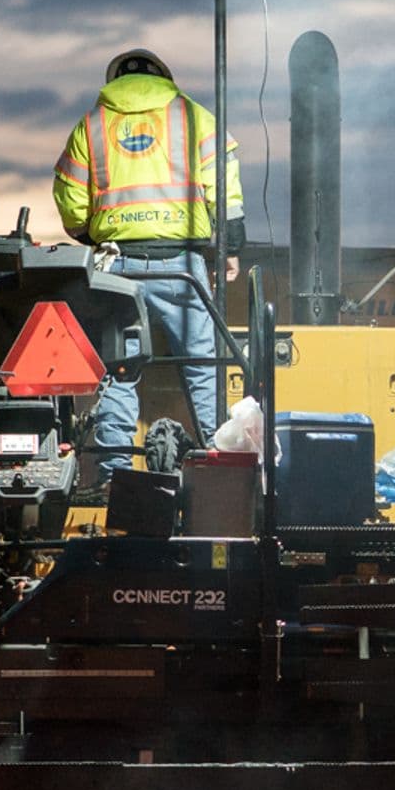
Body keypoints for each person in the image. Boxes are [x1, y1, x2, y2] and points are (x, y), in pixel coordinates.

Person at [52, 48, 244, 482]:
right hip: (183, 265)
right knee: (201, 363)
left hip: (117, 269)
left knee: (120, 371)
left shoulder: (92, 125)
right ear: (164, 77)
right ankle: (218, 461)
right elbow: (226, 187)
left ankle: (114, 470)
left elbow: (70, 200)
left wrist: (92, 235)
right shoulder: (196, 119)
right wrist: (230, 248)